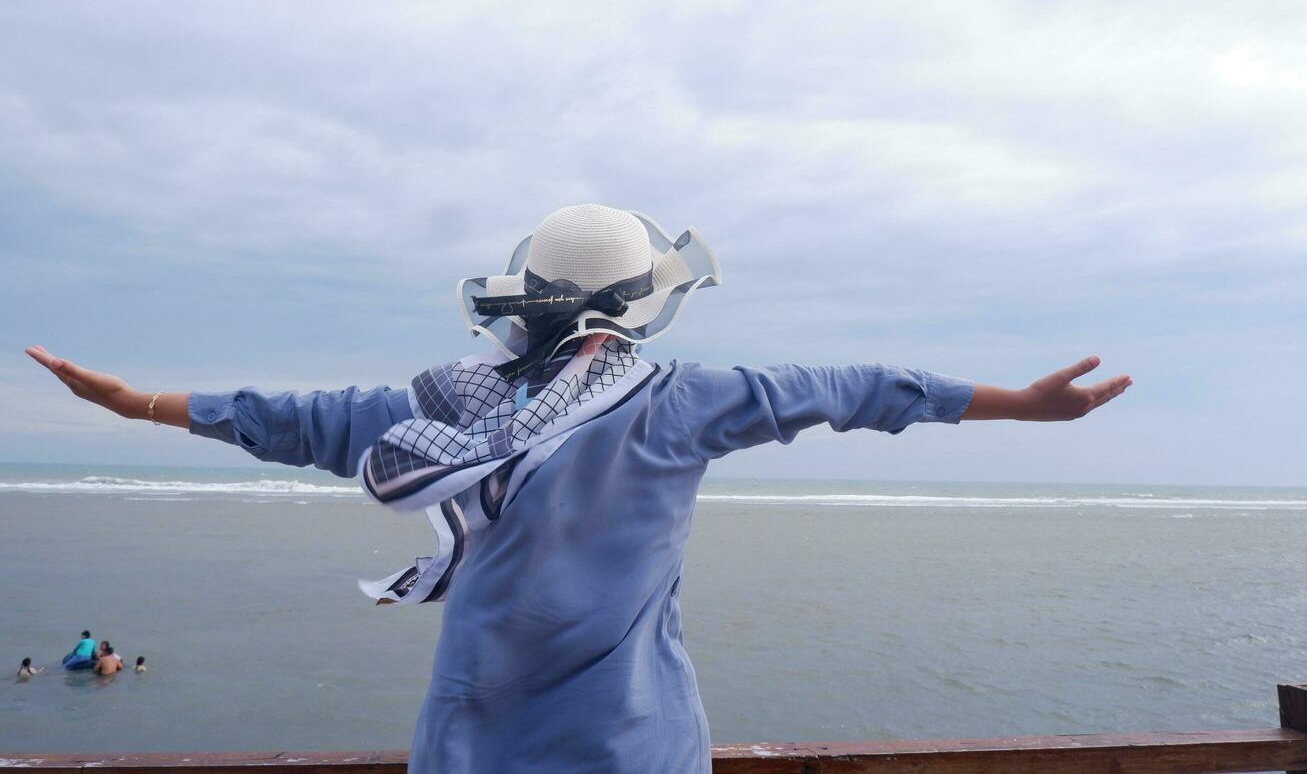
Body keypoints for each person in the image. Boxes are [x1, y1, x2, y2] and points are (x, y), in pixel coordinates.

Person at [26, 203, 1132, 773]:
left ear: (522, 303)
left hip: (470, 743)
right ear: (640, 303)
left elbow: (288, 416)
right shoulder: (677, 399)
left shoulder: (444, 400)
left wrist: (137, 405)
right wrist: (1020, 405)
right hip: (633, 744)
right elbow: (851, 387)